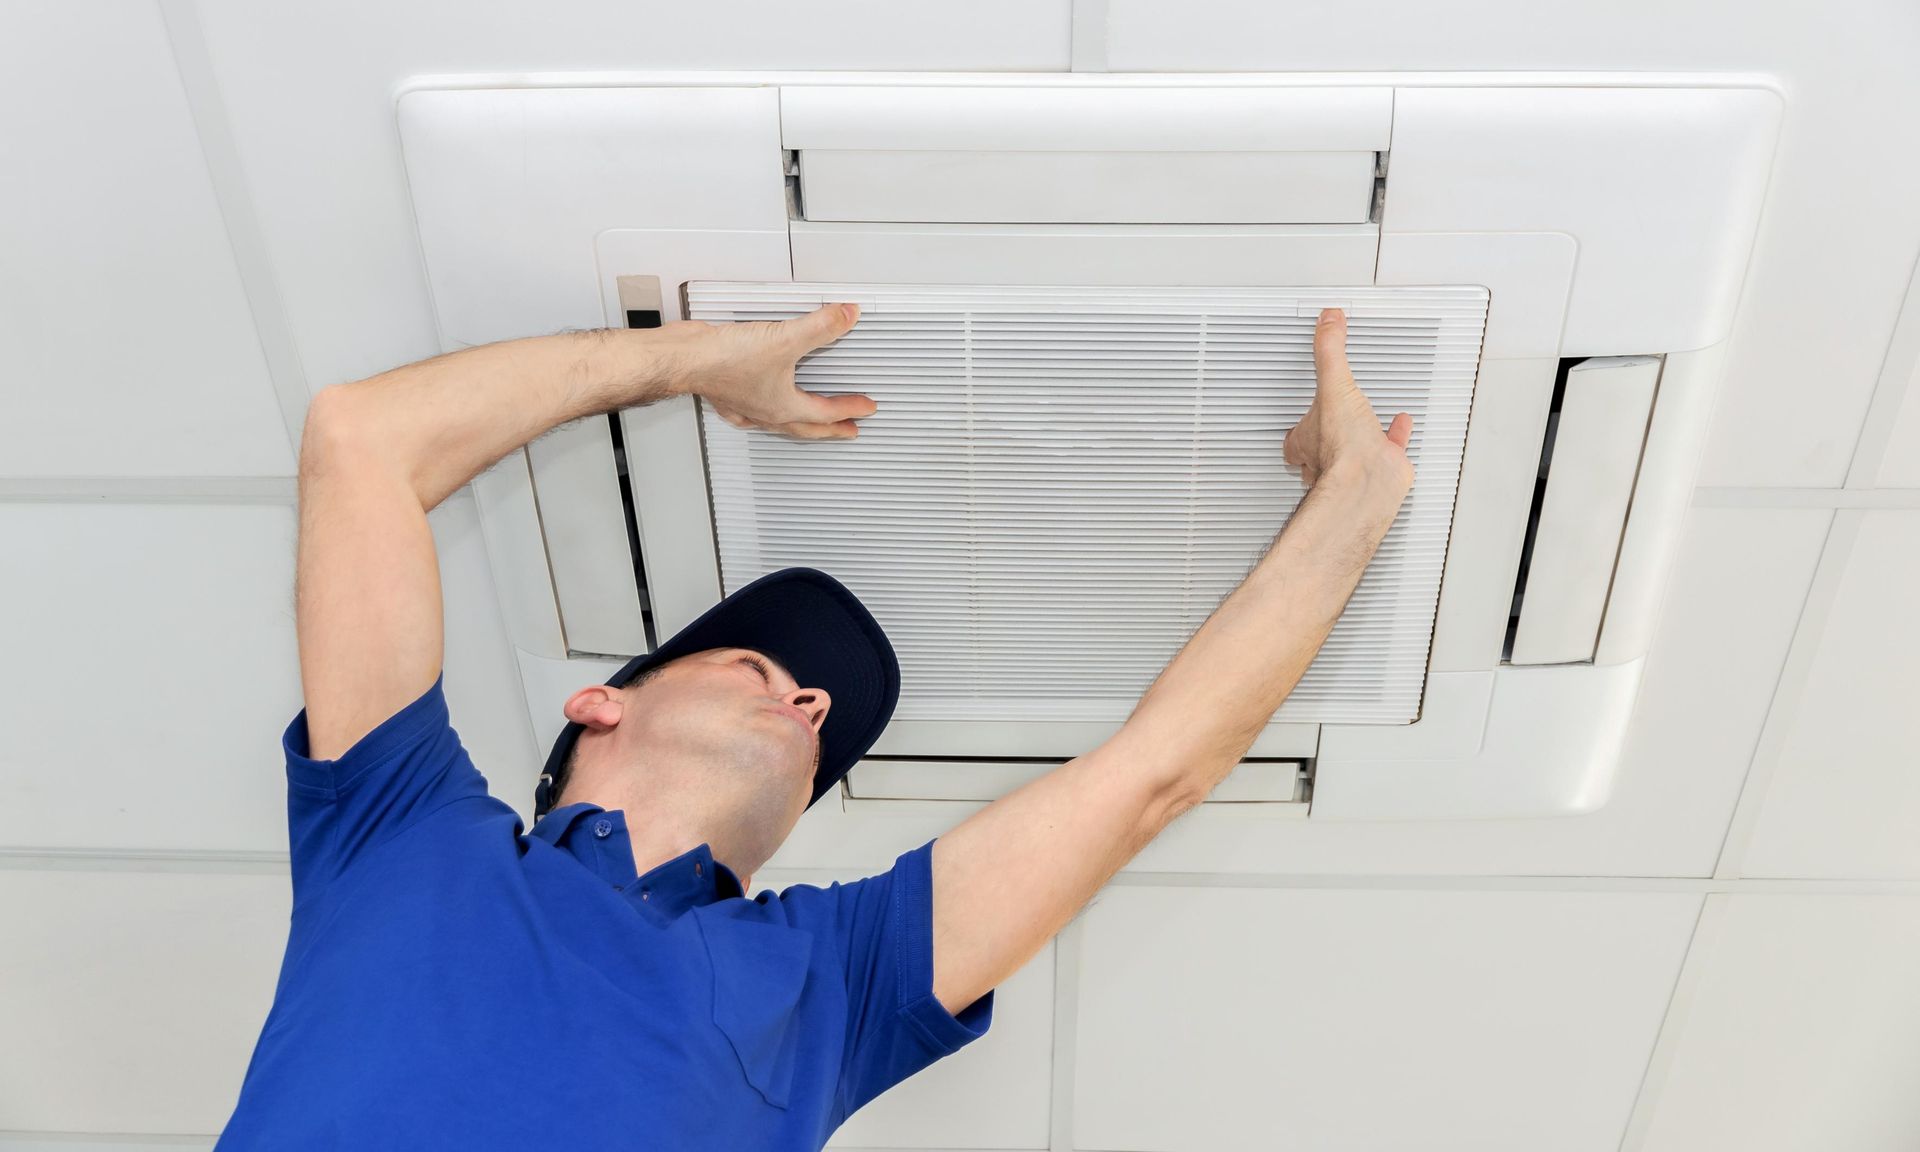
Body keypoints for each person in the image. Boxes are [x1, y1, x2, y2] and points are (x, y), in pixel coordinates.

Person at [215, 302, 1414, 1149]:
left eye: (814, 714)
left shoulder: (830, 986)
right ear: (600, 698)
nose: (808, 701)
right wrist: (693, 360)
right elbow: (358, 439)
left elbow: (1158, 771)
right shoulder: (401, 825)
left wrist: (1356, 493)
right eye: (764, 666)